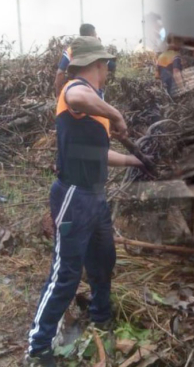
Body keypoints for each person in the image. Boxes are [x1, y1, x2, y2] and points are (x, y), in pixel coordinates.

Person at [26, 37, 143, 366]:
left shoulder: (94, 105)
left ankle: (100, 314)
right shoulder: (75, 91)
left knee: (103, 260)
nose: (107, 71)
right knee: (66, 273)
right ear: (98, 65)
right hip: (74, 196)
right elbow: (75, 95)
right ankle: (38, 347)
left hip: (95, 196)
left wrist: (136, 162)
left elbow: (99, 154)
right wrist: (117, 115)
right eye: (106, 65)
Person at [55, 23, 116, 97]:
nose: (96, 37)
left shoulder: (70, 50)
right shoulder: (95, 51)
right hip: (92, 92)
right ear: (91, 35)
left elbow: (60, 73)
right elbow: (112, 66)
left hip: (74, 94)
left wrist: (59, 95)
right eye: (95, 35)